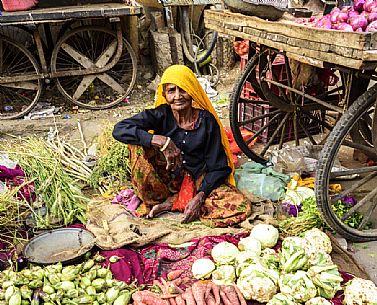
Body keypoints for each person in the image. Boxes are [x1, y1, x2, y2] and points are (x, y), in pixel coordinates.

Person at [113, 65, 250, 226]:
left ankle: (174, 202)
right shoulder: (160, 114)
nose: (178, 96)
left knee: (239, 205)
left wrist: (200, 196)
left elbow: (219, 167)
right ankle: (162, 199)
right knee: (136, 146)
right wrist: (159, 140)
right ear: (164, 94)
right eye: (171, 91)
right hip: (162, 181)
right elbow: (119, 129)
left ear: (192, 91)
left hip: (195, 181)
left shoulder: (207, 122)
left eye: (183, 90)